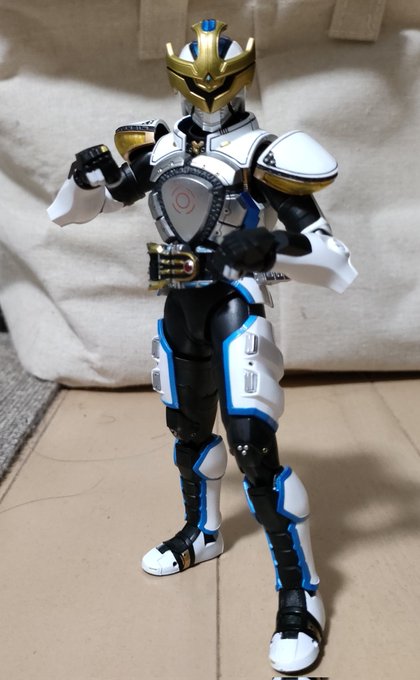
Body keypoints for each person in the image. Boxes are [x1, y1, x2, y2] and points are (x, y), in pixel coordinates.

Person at [48, 18, 357, 674]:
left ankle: (299, 593)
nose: (210, 93)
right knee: (189, 435)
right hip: (179, 305)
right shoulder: (159, 147)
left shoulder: (264, 153)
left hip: (235, 307)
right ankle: (202, 532)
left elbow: (334, 259)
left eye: (220, 81)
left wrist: (271, 246)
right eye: (197, 82)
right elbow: (74, 213)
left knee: (253, 451)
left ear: (240, 79)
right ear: (178, 79)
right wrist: (83, 180)